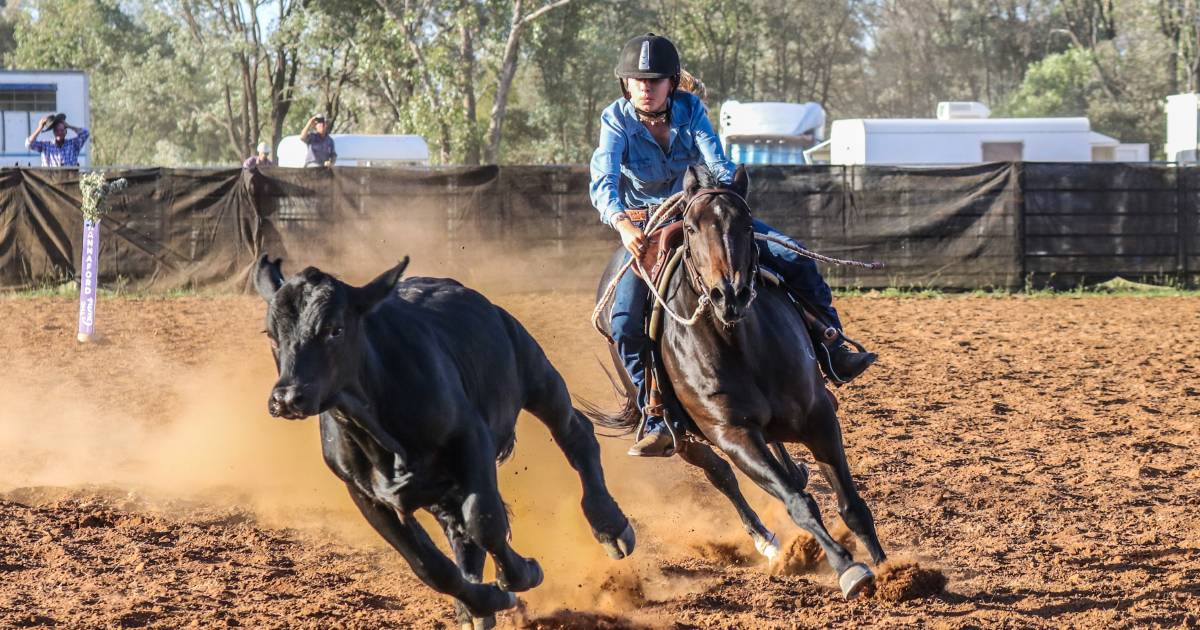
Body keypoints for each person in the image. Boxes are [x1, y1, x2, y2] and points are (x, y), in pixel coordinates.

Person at [590, 33, 876, 458]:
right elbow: (604, 181)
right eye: (636, 80)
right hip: (646, 226)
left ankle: (831, 345)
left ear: (672, 83)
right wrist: (621, 224)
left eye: (653, 80)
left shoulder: (690, 110)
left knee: (793, 257)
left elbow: (715, 158)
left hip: (703, 213)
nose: (645, 87)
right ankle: (654, 412)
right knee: (626, 320)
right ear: (626, 85)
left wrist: (723, 192)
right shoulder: (616, 120)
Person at [25, 113, 90, 167]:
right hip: (49, 180)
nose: (59, 133)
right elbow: (28, 144)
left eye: (61, 130)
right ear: (53, 132)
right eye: (56, 130)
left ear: (66, 132)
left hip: (68, 180)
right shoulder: (46, 145)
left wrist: (69, 126)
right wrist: (39, 128)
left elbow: (85, 133)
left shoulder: (73, 144)